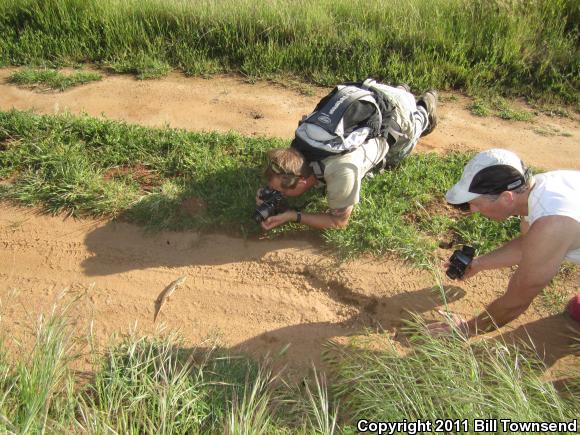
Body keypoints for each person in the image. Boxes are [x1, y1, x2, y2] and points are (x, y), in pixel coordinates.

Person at [429, 148, 580, 336]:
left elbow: (516, 300)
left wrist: (465, 329)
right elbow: (529, 244)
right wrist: (480, 264)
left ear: (506, 198)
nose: (473, 210)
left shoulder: (552, 225)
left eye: (476, 203)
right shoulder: (537, 191)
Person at [257, 86, 438, 231]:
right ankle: (400, 89)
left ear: (303, 182)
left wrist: (293, 216)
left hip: (397, 114)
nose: (279, 195)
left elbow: (339, 222)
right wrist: (267, 196)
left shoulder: (341, 170)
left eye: (282, 191)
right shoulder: (298, 146)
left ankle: (423, 108)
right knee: (393, 96)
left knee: (400, 150)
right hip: (364, 91)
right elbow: (281, 174)